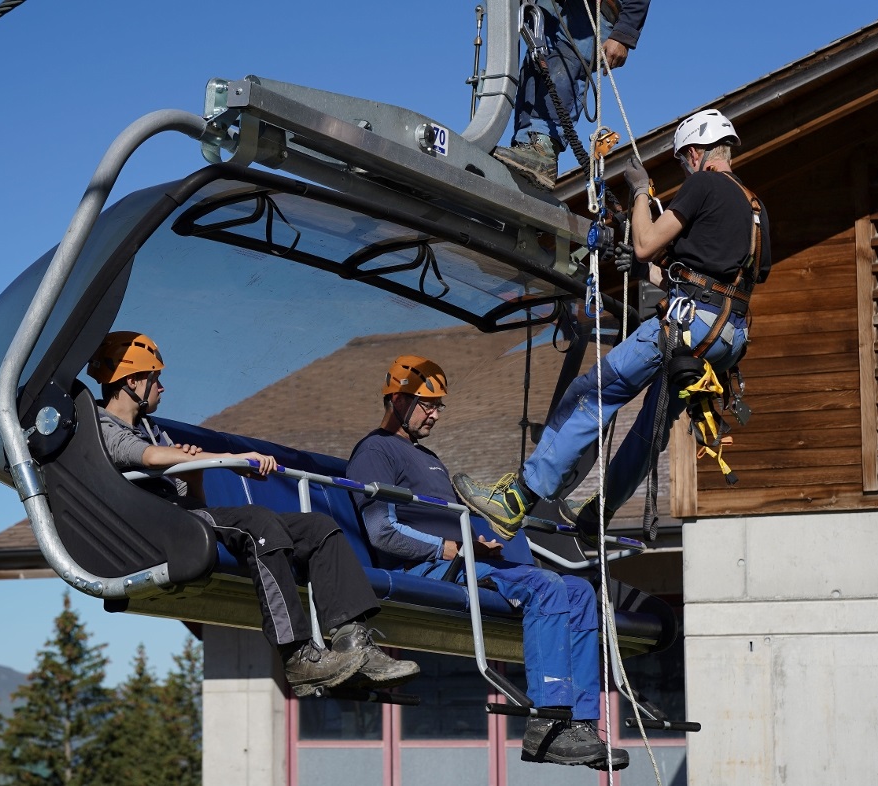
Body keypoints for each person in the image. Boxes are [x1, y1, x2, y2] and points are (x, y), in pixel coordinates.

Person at [455, 108, 772, 539]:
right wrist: (648, 276)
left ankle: (518, 498)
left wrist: (640, 192)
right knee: (653, 425)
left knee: (593, 392)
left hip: (686, 326)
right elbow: (717, 282)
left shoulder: (704, 185)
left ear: (696, 154)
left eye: (684, 160)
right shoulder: (755, 210)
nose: (685, 167)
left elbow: (644, 244)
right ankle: (600, 512)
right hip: (724, 339)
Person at [87, 331, 419, 696]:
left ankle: (352, 642)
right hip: (158, 528)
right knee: (257, 523)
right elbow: (147, 458)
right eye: (156, 378)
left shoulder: (153, 430)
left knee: (319, 527)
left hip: (188, 517)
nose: (162, 388)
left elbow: (192, 499)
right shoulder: (103, 426)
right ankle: (296, 654)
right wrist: (227, 461)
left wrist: (194, 470)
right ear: (133, 380)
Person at [346, 355, 629, 770]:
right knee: (546, 587)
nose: (437, 414)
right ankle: (547, 725)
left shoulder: (429, 459)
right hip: (424, 569)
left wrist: (474, 546)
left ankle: (582, 722)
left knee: (581, 591)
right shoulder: (375, 451)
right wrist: (450, 550)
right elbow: (382, 531)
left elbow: (444, 524)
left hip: (461, 561)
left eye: (440, 405)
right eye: (429, 404)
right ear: (399, 401)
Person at [494, 0, 651, 190]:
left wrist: (623, 34)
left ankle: (544, 150)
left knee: (564, 64)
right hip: (551, 6)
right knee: (534, 67)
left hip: (592, 12)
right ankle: (525, 146)